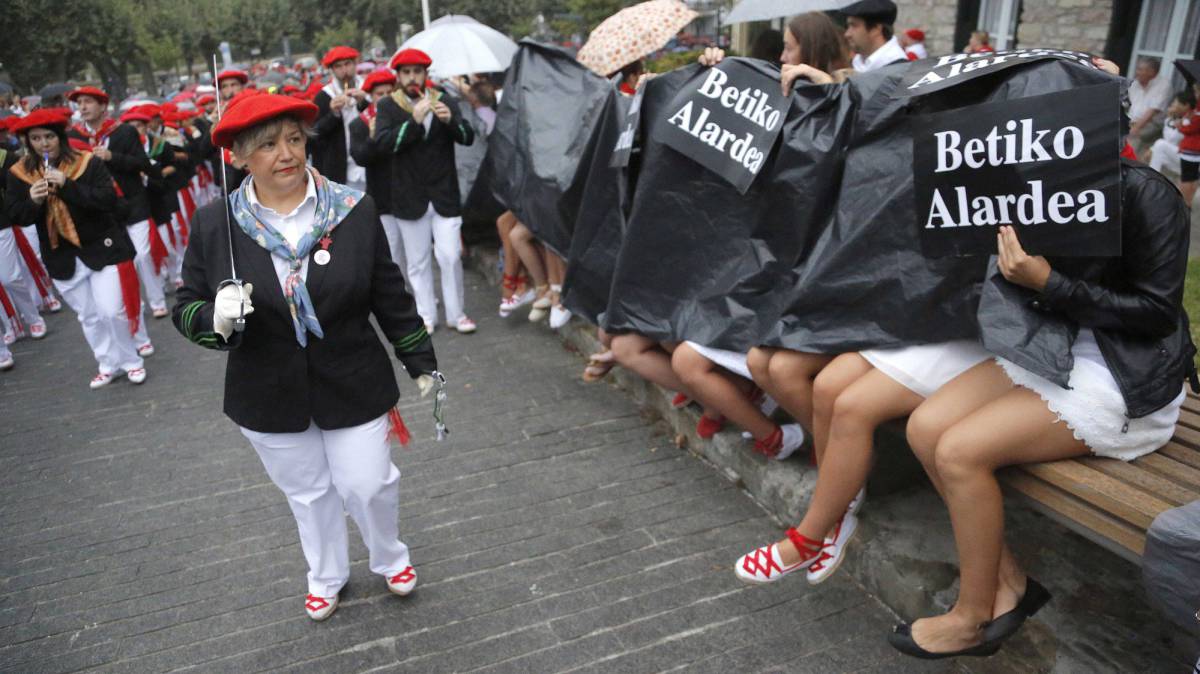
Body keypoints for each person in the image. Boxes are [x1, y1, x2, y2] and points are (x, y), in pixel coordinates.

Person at [895, 159, 1195, 658]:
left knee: (957, 453)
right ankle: (1009, 587)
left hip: (1129, 375)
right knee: (925, 427)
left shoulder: (1146, 193)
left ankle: (970, 619)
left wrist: (1050, 282)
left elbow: (1158, 313)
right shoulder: (1021, 180)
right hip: (1055, 348)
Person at [173, 92, 438, 621]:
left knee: (367, 483)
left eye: (293, 139)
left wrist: (420, 360)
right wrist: (216, 318)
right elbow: (186, 305)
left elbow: (389, 293)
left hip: (354, 375)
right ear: (241, 157)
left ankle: (389, 556)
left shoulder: (352, 208)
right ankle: (326, 574)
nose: (286, 153)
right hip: (266, 389)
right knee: (311, 494)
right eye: (268, 145)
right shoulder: (214, 224)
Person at [5, 108, 145, 388]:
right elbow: (16, 215)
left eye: (49, 137)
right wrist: (32, 200)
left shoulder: (87, 162)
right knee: (89, 316)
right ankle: (107, 363)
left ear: (60, 137)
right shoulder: (20, 173)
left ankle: (132, 360)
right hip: (61, 255)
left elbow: (107, 200)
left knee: (111, 310)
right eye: (35, 138)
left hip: (100, 247)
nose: (44, 143)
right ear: (27, 142)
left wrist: (67, 185)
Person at [375, 48, 477, 334]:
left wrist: (450, 121)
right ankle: (424, 316)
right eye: (406, 73)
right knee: (418, 262)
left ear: (425, 75)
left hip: (444, 194)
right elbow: (383, 145)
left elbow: (468, 137)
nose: (412, 78)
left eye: (417, 72)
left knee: (451, 255)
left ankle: (457, 314)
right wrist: (413, 123)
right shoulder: (388, 106)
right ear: (398, 77)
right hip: (408, 197)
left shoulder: (443, 100)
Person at [68, 86, 161, 356]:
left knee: (143, 255)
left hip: (133, 203)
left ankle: (156, 299)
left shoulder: (123, 132)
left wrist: (112, 157)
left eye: (88, 102)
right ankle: (135, 323)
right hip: (105, 214)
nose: (83, 107)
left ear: (103, 106)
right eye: (80, 103)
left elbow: (143, 164)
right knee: (123, 270)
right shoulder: (74, 138)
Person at [349, 68, 405, 271]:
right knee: (393, 248)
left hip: (408, 192)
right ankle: (401, 294)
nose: (385, 98)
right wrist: (373, 139)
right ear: (371, 97)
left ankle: (419, 295)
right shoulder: (359, 124)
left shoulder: (404, 117)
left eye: (389, 93)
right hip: (382, 195)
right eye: (380, 94)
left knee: (413, 250)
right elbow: (360, 157)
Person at [312, 46, 368, 190]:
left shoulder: (368, 87)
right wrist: (334, 114)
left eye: (348, 64)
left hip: (369, 163)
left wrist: (364, 103)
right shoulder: (324, 95)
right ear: (332, 69)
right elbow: (315, 133)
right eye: (338, 66)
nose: (344, 70)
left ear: (355, 64)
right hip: (340, 168)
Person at [842, 0, 909, 72]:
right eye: (848, 26)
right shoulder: (858, 62)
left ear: (875, 29)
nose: (847, 34)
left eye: (854, 26)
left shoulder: (898, 70)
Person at [1127, 57, 1172, 158]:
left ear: (1151, 72)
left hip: (1151, 123)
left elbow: (1153, 111)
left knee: (1132, 141)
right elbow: (1126, 103)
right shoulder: (1134, 83)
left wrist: (1135, 128)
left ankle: (1130, 165)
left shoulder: (1164, 85)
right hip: (1132, 121)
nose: (1136, 72)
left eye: (1140, 69)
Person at [1149, 89, 1193, 177]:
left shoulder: (1189, 122)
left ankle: (1152, 179)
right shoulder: (1172, 119)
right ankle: (1152, 178)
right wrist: (1170, 119)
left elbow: (1171, 139)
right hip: (1176, 159)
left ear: (1186, 106)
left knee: (1160, 144)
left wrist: (1171, 119)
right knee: (1157, 154)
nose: (1172, 104)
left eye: (1175, 102)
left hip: (1188, 160)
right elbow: (1168, 141)